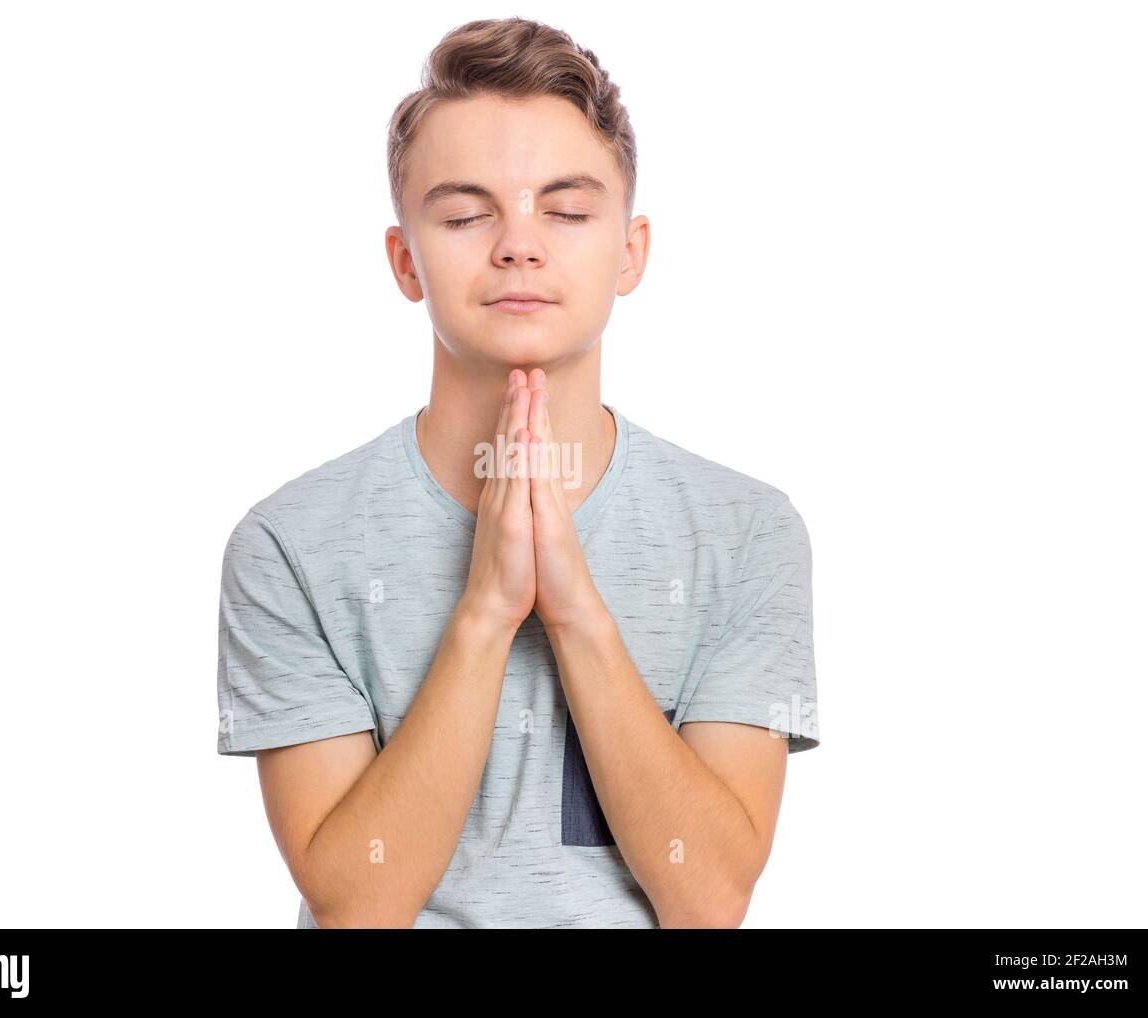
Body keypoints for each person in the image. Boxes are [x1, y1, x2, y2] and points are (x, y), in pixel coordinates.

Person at [215, 16, 819, 929]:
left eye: (567, 211)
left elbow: (710, 898)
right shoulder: (289, 545)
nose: (518, 245)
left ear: (630, 250)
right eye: (464, 215)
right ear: (403, 261)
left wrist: (575, 612)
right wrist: (487, 613)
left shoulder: (748, 532)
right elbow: (355, 906)